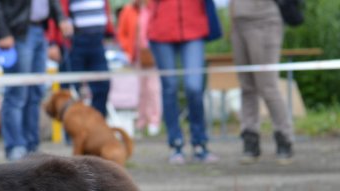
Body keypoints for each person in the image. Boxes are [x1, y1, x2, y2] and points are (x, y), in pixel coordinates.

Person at [0, 0, 72, 161]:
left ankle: (32, 146)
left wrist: (60, 18)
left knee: (35, 93)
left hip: (40, 30)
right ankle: (15, 147)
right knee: (16, 94)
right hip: (17, 32)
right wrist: (1, 32)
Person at [147, 0, 217, 164]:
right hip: (162, 29)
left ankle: (199, 142)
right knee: (169, 87)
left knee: (194, 87)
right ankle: (175, 144)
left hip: (194, 27)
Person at [230, 0, 293, 164]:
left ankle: (284, 137)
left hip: (263, 20)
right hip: (238, 22)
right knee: (247, 87)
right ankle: (250, 139)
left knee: (267, 86)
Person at [116, 0, 161, 136]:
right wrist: (127, 50)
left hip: (153, 55)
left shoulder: (153, 7)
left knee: (153, 89)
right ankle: (141, 121)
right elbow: (121, 33)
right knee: (140, 90)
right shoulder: (128, 11)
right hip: (136, 57)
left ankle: (154, 121)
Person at [67, 0, 113, 118]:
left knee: (103, 84)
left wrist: (109, 31)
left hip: (98, 41)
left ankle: (96, 122)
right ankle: (75, 125)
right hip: (77, 41)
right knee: (74, 89)